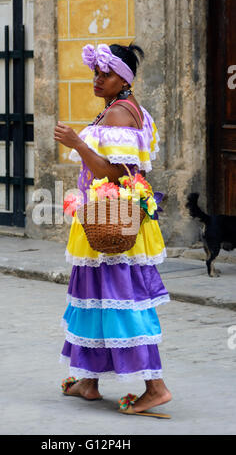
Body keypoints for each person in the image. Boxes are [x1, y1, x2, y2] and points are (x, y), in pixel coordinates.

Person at [54, 42, 172, 415]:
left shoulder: (121, 114)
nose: (97, 79)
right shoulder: (116, 109)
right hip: (103, 216)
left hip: (113, 219)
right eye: (96, 73)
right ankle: (89, 381)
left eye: (105, 74)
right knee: (98, 297)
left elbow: (117, 173)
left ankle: (155, 387)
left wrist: (76, 143)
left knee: (123, 301)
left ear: (124, 78)